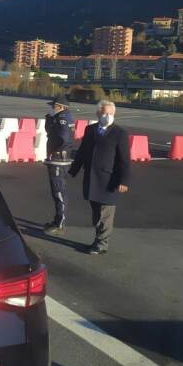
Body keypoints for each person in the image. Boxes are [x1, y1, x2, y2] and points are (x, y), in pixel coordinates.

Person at [68, 99, 131, 254]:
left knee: (106, 214)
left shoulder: (119, 133)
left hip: (108, 180)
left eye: (111, 113)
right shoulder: (90, 129)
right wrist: (73, 170)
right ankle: (98, 240)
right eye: (105, 113)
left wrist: (123, 180)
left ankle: (102, 244)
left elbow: (124, 159)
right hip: (91, 178)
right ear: (98, 113)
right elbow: (82, 151)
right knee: (96, 213)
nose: (107, 116)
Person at [42, 96, 75, 235]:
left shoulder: (63, 118)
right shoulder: (61, 116)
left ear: (60, 106)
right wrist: (49, 119)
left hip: (58, 159)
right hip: (57, 158)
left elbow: (63, 138)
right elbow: (50, 132)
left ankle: (60, 223)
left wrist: (54, 151)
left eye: (53, 106)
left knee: (59, 191)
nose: (51, 108)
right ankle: (57, 220)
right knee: (57, 191)